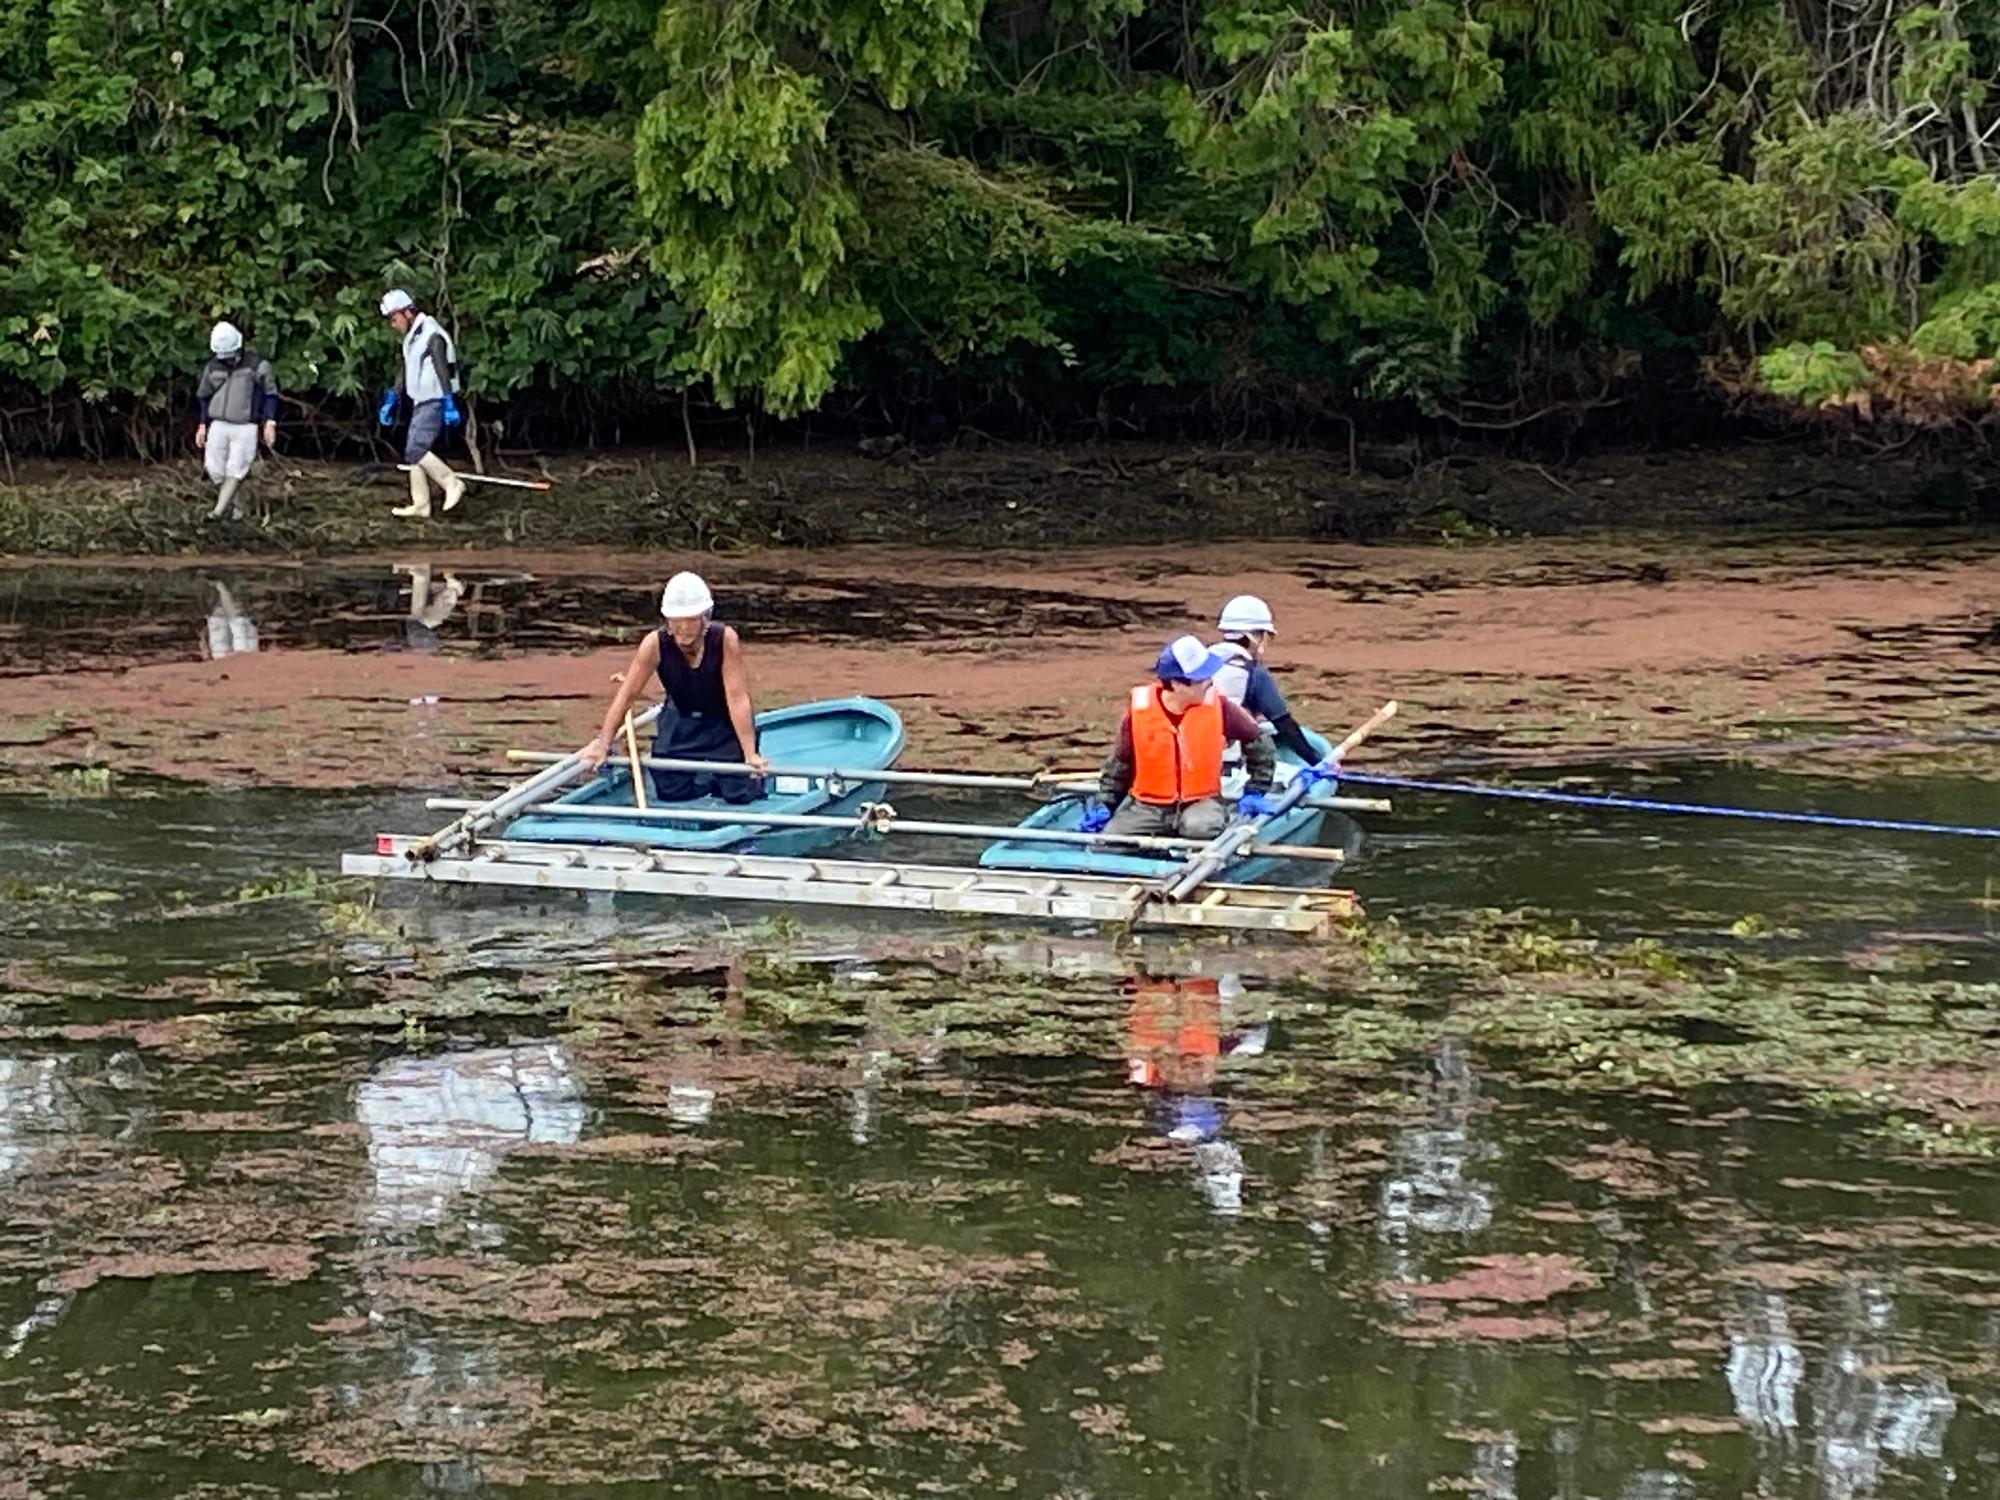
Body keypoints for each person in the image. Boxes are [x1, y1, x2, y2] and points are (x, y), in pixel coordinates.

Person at [580, 571, 771, 801]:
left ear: (704, 618)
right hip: (681, 719)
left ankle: (730, 776)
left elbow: (737, 698)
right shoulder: (654, 644)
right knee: (671, 792)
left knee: (739, 793)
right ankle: (707, 778)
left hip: (723, 721)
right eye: (676, 621)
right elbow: (626, 696)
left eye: (690, 620)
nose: (683, 628)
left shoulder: (725, 639)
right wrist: (604, 744)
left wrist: (750, 754)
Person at [1082, 635, 1278, 840]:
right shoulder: (1139, 711)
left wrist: (1255, 790)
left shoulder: (1220, 706)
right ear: (1176, 684)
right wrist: (1106, 804)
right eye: (1200, 679)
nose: (1209, 682)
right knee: (1107, 842)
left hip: (1201, 803)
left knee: (1201, 828)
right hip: (1148, 807)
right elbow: (1120, 763)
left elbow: (1259, 742)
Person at [376, 289, 465, 518]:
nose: (393, 324)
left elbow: (441, 367)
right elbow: (406, 368)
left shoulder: (432, 334)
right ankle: (421, 504)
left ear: (407, 312)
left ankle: (451, 482)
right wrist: (392, 397)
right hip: (420, 400)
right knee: (412, 452)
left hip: (434, 399)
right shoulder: (412, 337)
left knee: (416, 449)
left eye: (394, 318)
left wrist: (448, 401)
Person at [1211, 594, 1322, 763]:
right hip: (1228, 768)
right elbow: (1284, 725)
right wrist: (1317, 762)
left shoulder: (1202, 661)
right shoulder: (1254, 672)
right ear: (1255, 636)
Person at [193, 321, 278, 521]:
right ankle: (239, 506)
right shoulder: (212, 368)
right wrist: (202, 424)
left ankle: (217, 512)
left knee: (236, 469)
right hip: (218, 424)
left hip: (246, 425)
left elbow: (270, 394)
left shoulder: (258, 366)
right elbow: (203, 396)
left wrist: (269, 422)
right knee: (214, 469)